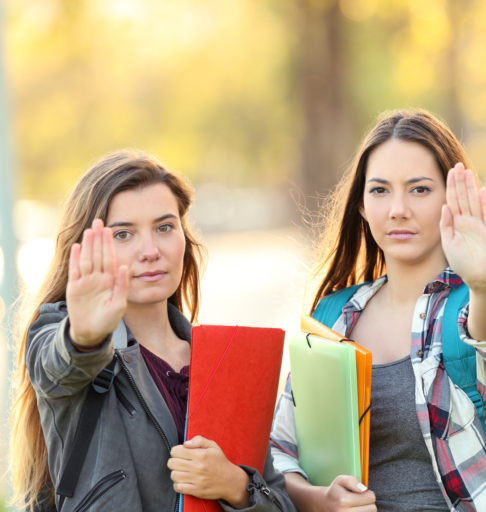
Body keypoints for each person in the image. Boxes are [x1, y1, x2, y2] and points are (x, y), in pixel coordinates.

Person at [270, 109, 486, 511]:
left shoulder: (471, 308)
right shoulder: (333, 317)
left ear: (451, 199)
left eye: (419, 189)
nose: (398, 209)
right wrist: (320, 501)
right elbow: (282, 452)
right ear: (361, 207)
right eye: (380, 190)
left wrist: (485, 283)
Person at [9, 150, 296, 512]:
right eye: (123, 234)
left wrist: (236, 486)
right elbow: (59, 366)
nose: (150, 251)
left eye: (164, 228)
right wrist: (84, 336)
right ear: (85, 251)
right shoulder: (62, 338)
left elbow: (281, 501)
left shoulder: (225, 360)